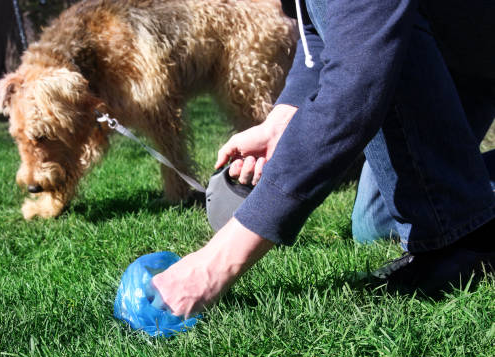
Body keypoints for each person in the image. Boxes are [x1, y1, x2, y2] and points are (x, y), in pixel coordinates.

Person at [152, 0, 495, 318]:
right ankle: (466, 200)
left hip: (464, 59)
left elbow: (354, 93)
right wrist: (280, 120)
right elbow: (319, 32)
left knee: (441, 226)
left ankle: (465, 239)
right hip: (445, 56)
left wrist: (214, 265)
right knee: (375, 226)